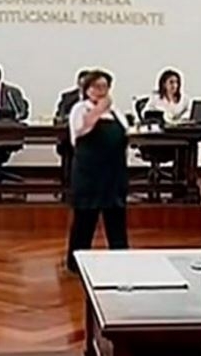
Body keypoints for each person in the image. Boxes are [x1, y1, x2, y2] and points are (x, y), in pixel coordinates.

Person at [65, 70, 130, 273]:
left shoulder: (116, 112)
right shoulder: (80, 109)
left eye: (105, 87)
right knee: (85, 219)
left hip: (114, 173)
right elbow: (82, 129)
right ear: (87, 90)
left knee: (116, 219)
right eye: (96, 87)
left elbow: (125, 133)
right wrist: (99, 109)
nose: (101, 91)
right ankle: (76, 263)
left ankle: (121, 260)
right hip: (89, 174)